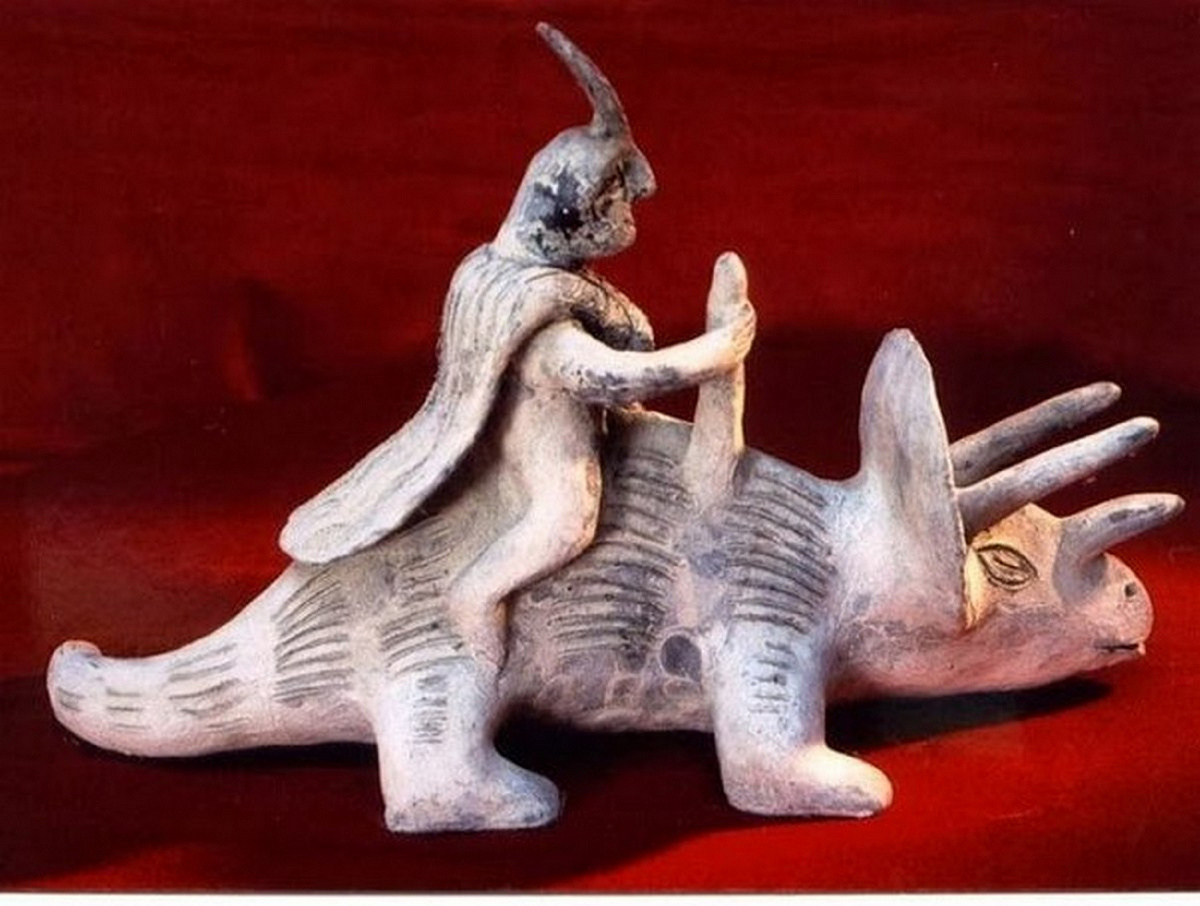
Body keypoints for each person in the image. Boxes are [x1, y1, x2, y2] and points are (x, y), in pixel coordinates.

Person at [280, 23, 755, 666]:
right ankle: (476, 596)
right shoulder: (542, 322)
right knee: (569, 519)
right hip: (548, 461)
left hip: (567, 435)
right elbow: (615, 377)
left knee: (652, 449)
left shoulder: (537, 280)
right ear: (586, 208)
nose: (638, 199)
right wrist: (720, 349)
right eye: (620, 193)